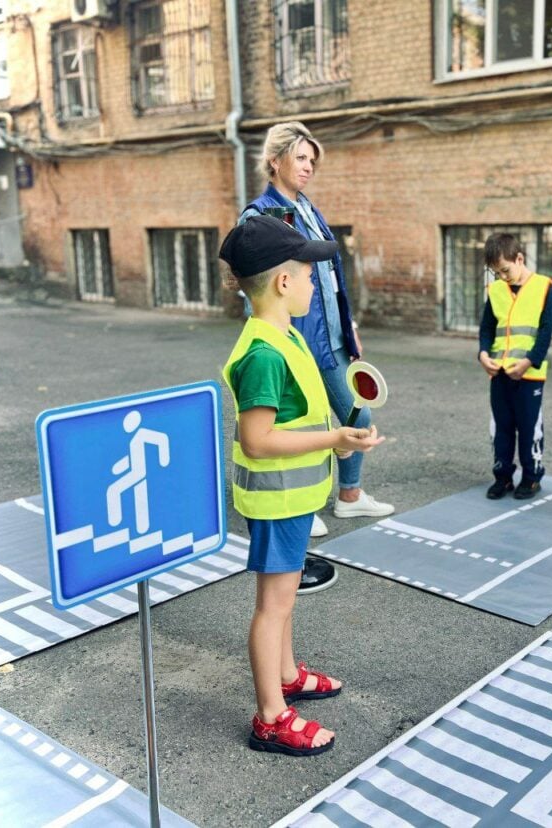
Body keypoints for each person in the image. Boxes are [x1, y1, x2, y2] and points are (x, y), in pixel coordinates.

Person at [218, 215, 384, 755]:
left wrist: (338, 441)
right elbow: (259, 439)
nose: (316, 285)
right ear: (283, 282)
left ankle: (287, 675)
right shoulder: (265, 352)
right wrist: (333, 435)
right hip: (277, 498)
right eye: (310, 276)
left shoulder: (282, 336)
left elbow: (299, 422)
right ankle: (270, 715)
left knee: (284, 602)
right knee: (275, 605)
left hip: (292, 495)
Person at [240, 121, 393, 595]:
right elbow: (259, 291)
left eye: (312, 160)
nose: (308, 167)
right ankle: (300, 509)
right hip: (298, 342)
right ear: (275, 161)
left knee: (356, 410)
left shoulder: (308, 207)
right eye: (301, 158)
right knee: (300, 424)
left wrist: (349, 326)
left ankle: (348, 496)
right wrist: (280, 340)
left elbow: (329, 278)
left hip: (332, 337)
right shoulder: (260, 214)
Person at [478, 233, 552, 500]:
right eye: (496, 272)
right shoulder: (496, 290)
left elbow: (546, 332)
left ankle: (532, 477)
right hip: (499, 373)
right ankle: (503, 477)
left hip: (530, 374)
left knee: (529, 427)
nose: (501, 277)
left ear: (519, 258)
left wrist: (528, 361)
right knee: (501, 427)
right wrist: (483, 353)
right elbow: (487, 327)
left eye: (505, 270)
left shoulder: (544, 287)